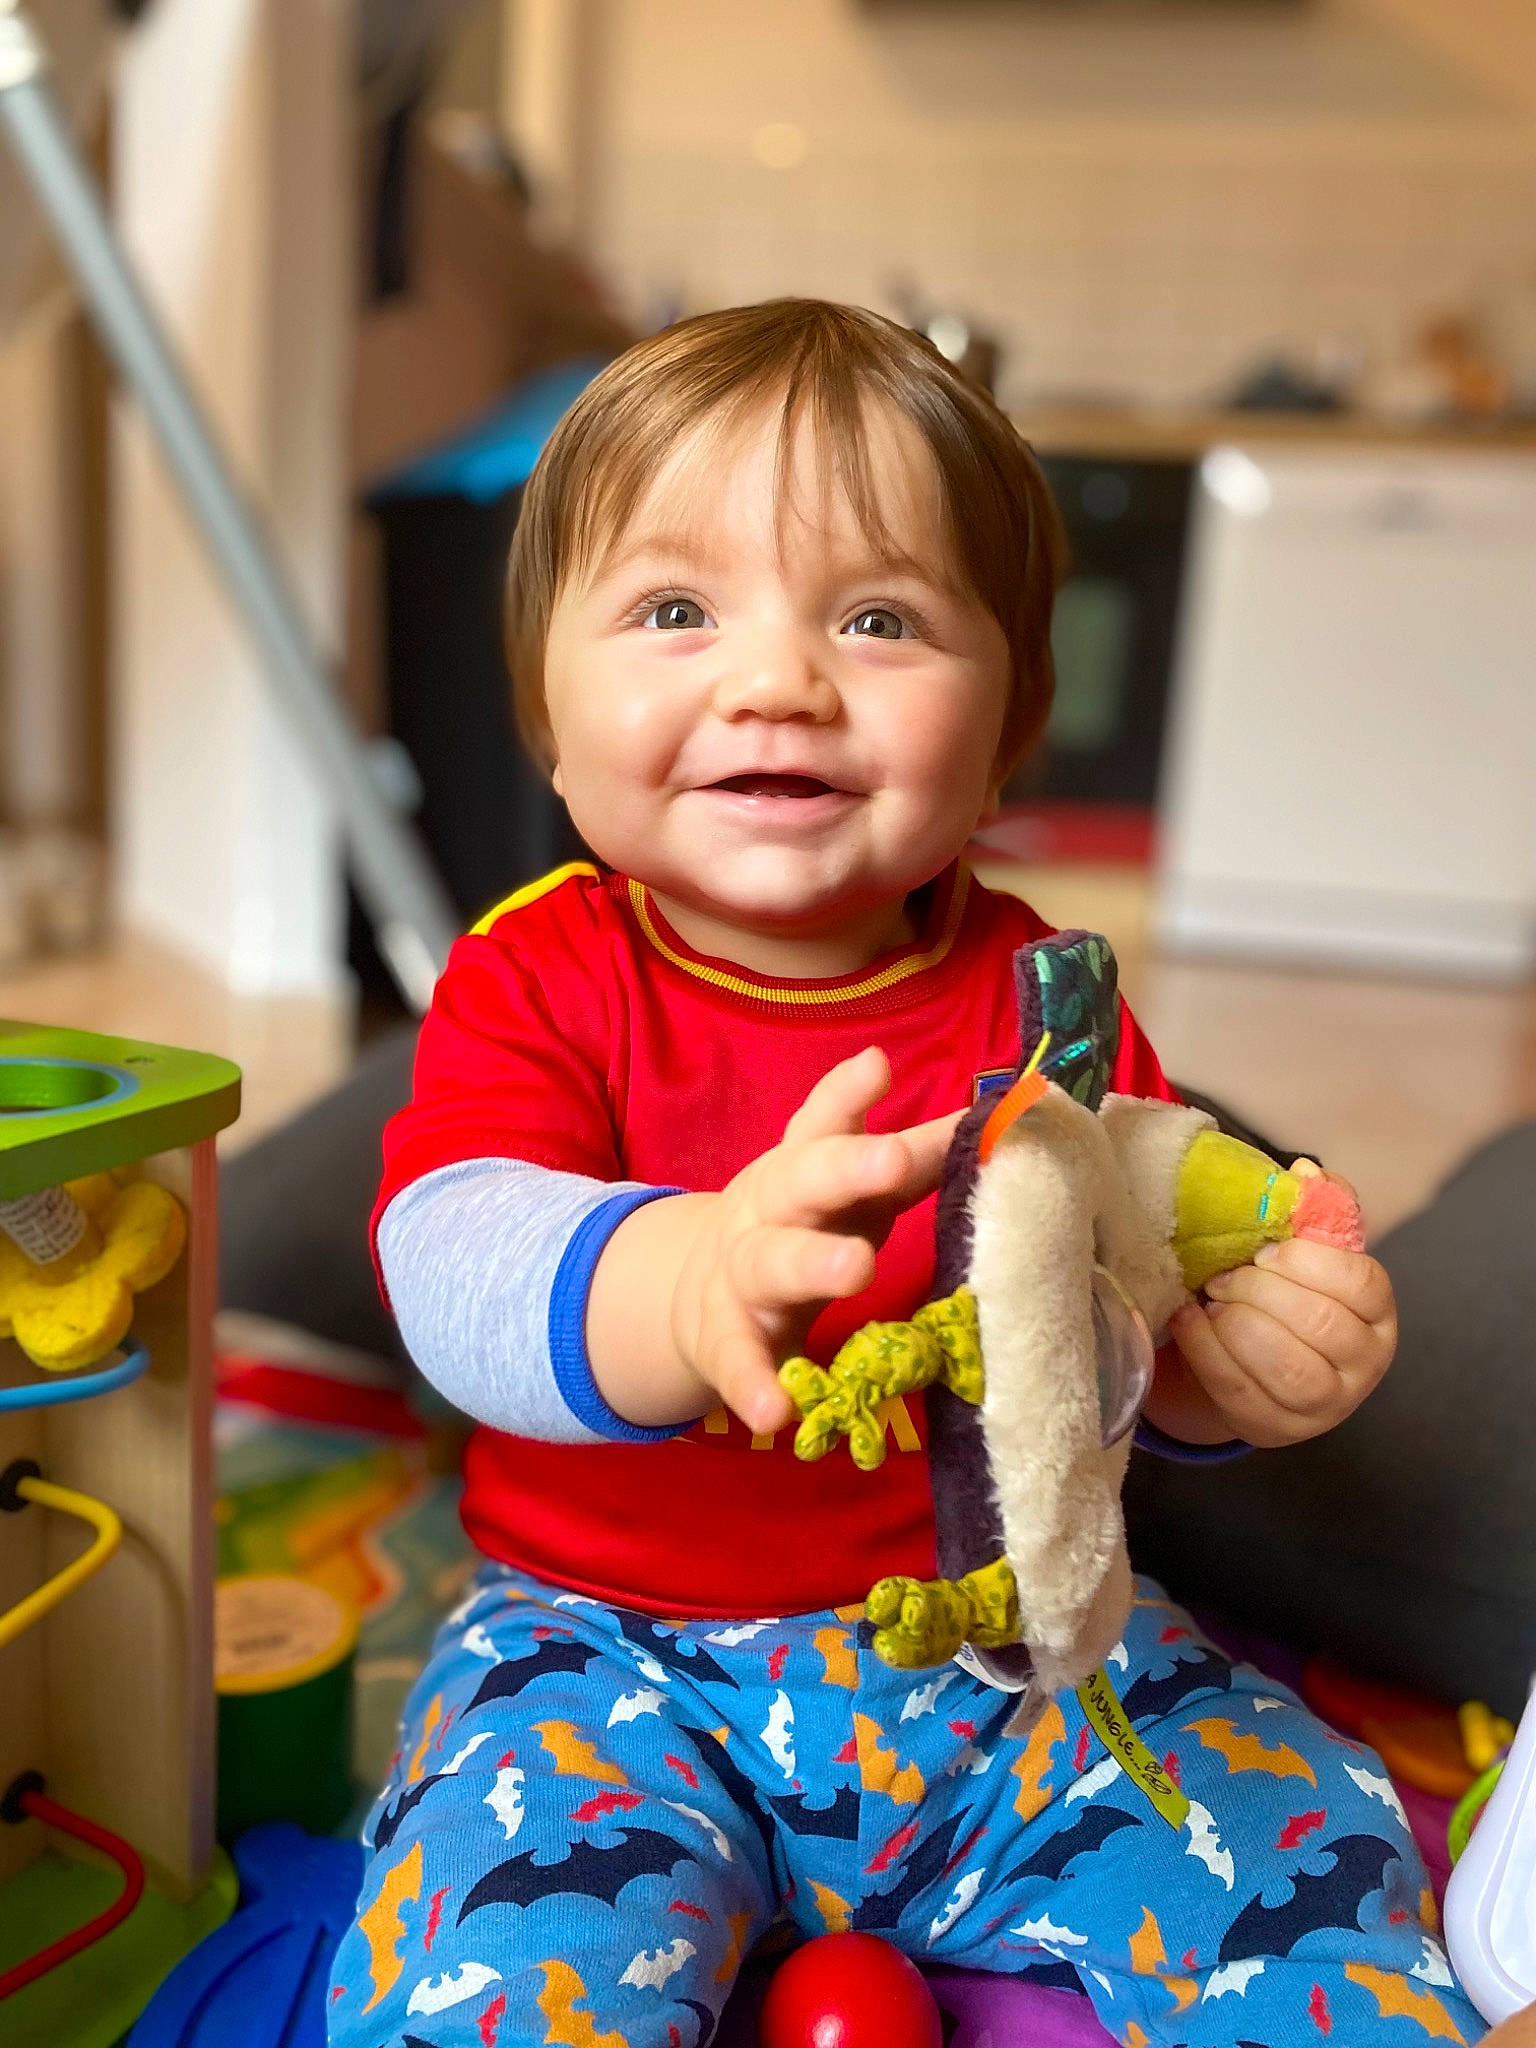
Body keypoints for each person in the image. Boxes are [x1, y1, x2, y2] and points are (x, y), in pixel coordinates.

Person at [327, 301, 1499, 2047]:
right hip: (605, 1661)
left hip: (1010, 1664)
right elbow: (450, 1263)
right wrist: (678, 1280)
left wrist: (1227, 1375)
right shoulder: (537, 975)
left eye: (877, 619)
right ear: (548, 713)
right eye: (676, 611)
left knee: (1298, 1840)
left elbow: (1116, 1320)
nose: (779, 681)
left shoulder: (1051, 998)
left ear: (1012, 719)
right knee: (497, 1950)